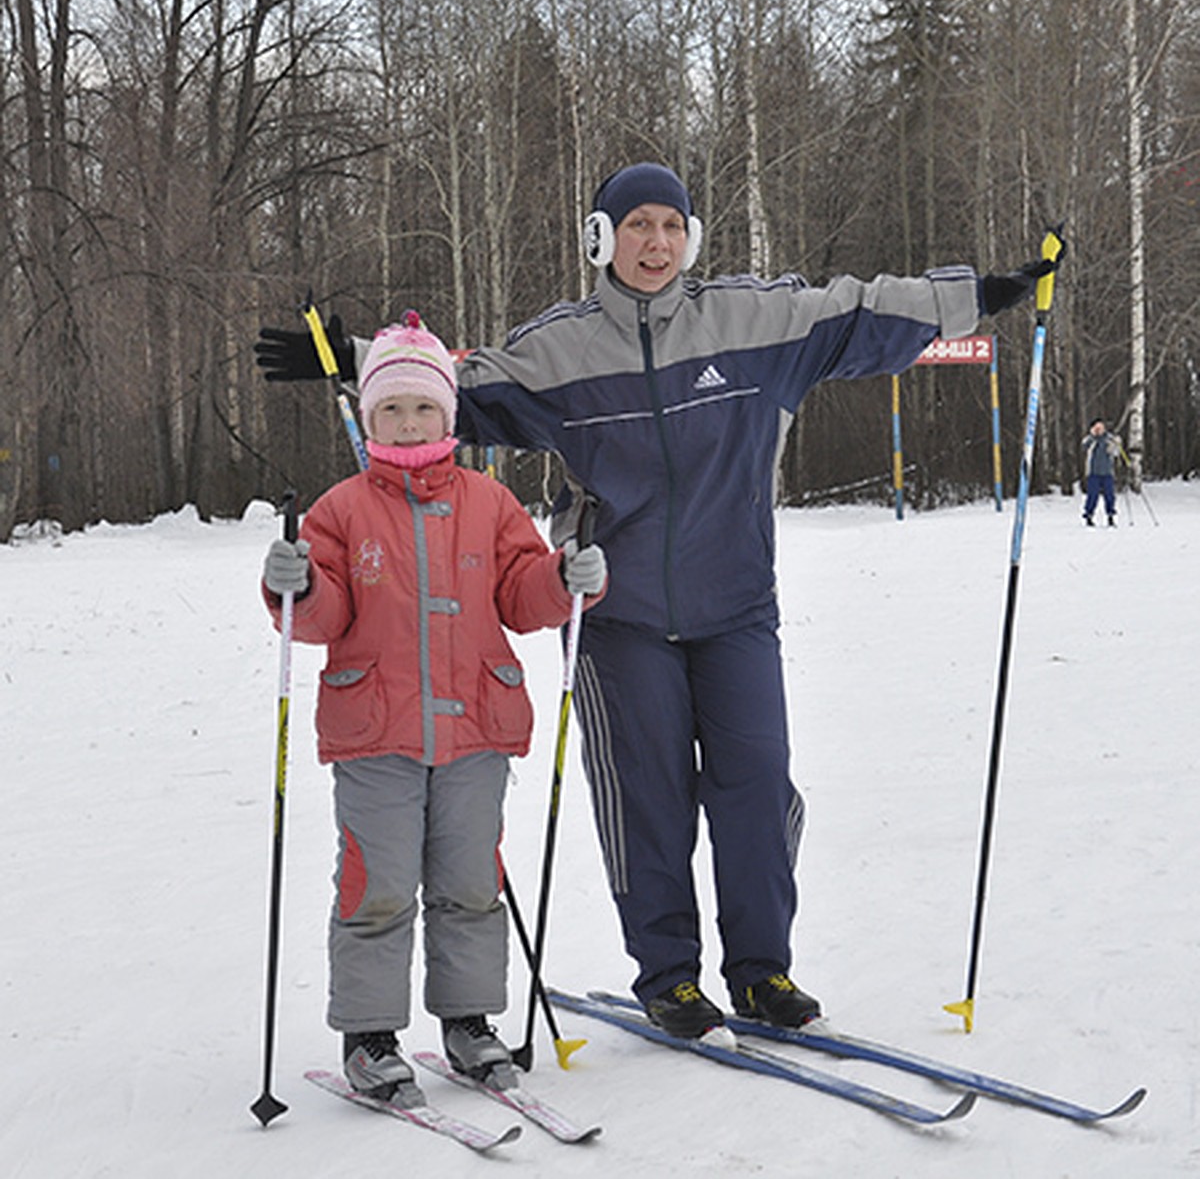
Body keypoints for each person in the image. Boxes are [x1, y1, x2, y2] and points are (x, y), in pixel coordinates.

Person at [257, 162, 1060, 1040]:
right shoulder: (560, 351)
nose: (656, 244)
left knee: (756, 785)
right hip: (620, 616)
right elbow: (449, 389)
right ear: (601, 240)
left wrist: (980, 294)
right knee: (649, 796)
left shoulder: (756, 323)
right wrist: (355, 359)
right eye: (636, 226)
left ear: (693, 238)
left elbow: (861, 309)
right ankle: (669, 976)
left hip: (738, 607)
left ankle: (762, 972)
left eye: (671, 227)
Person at [260, 311, 607, 1100]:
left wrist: (564, 578)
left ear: (448, 416)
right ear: (371, 417)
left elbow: (523, 596)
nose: (409, 421)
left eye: (423, 407)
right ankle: (370, 1034)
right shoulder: (342, 510)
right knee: (376, 883)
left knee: (469, 882)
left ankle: (469, 1021)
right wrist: (297, 582)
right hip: (375, 734)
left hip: (476, 731)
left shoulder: (489, 502)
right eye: (392, 408)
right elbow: (324, 617)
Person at [1081, 417, 1122, 527]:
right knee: (1092, 496)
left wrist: (1116, 445)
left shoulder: (1109, 439)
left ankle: (1110, 516)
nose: (1099, 430)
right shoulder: (1089, 440)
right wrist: (1092, 438)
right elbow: (1084, 447)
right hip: (1093, 473)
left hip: (1107, 473)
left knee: (1110, 496)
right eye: (1096, 428)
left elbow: (1116, 453)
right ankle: (1089, 516)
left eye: (1101, 427)